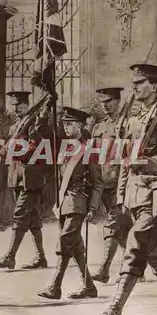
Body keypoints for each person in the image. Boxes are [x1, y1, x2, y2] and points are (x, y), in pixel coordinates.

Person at [89, 63, 157, 315]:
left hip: (155, 197)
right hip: (135, 196)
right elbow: (124, 161)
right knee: (156, 253)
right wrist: (121, 198)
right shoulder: (135, 120)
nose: (135, 86)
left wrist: (147, 163)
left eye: (141, 82)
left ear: (154, 86)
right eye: (134, 82)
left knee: (134, 245)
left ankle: (115, 310)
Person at [38, 107, 104, 299]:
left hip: (78, 202)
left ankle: (55, 286)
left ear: (81, 125)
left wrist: (93, 207)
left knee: (65, 240)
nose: (65, 127)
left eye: (70, 123)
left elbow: (98, 181)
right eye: (64, 123)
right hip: (64, 202)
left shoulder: (87, 150)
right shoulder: (65, 148)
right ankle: (89, 286)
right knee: (75, 247)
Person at [0, 91, 51, 270]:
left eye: (19, 104)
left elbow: (37, 148)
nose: (15, 108)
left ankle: (10, 257)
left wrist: (14, 150)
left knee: (19, 215)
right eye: (13, 104)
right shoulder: (15, 126)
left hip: (30, 177)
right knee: (32, 219)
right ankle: (41, 257)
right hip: (17, 177)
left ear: (26, 105)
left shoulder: (33, 123)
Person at [91, 87, 132, 283]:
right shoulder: (98, 127)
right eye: (102, 102)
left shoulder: (127, 124)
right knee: (122, 227)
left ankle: (104, 269)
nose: (105, 105)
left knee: (113, 224)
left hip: (121, 181)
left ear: (117, 101)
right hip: (104, 181)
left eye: (109, 101)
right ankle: (134, 266)